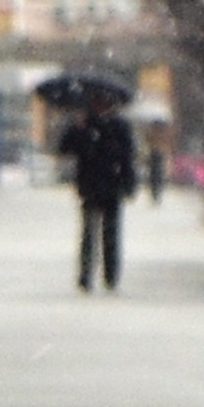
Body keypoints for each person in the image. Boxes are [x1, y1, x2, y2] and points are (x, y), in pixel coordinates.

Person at [67, 94, 138, 292]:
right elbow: (65, 148)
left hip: (112, 185)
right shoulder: (83, 125)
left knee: (111, 233)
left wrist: (129, 183)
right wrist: (76, 130)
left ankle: (111, 275)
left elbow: (127, 157)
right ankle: (86, 276)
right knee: (89, 233)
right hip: (89, 185)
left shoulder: (119, 126)